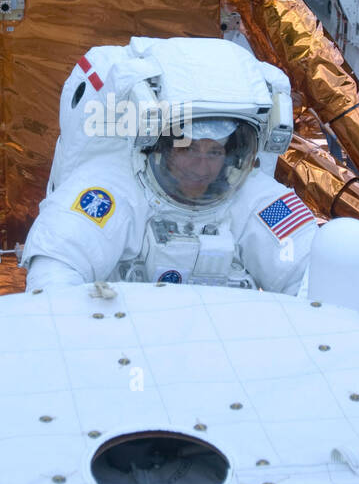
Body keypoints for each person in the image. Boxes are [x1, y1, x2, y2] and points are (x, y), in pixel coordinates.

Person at [20, 36, 317, 294]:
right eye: (189, 148)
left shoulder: (258, 201)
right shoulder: (110, 192)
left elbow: (312, 275)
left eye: (215, 152)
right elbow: (56, 271)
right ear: (159, 147)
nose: (201, 167)